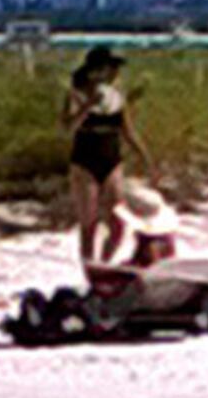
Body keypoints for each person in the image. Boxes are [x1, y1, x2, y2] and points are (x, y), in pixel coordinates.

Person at [59, 45, 148, 266]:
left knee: (118, 222)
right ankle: (90, 271)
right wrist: (87, 106)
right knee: (89, 224)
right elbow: (67, 128)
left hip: (112, 159)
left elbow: (127, 129)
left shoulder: (116, 97)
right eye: (111, 68)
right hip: (84, 162)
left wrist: (143, 155)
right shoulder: (75, 95)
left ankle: (104, 264)